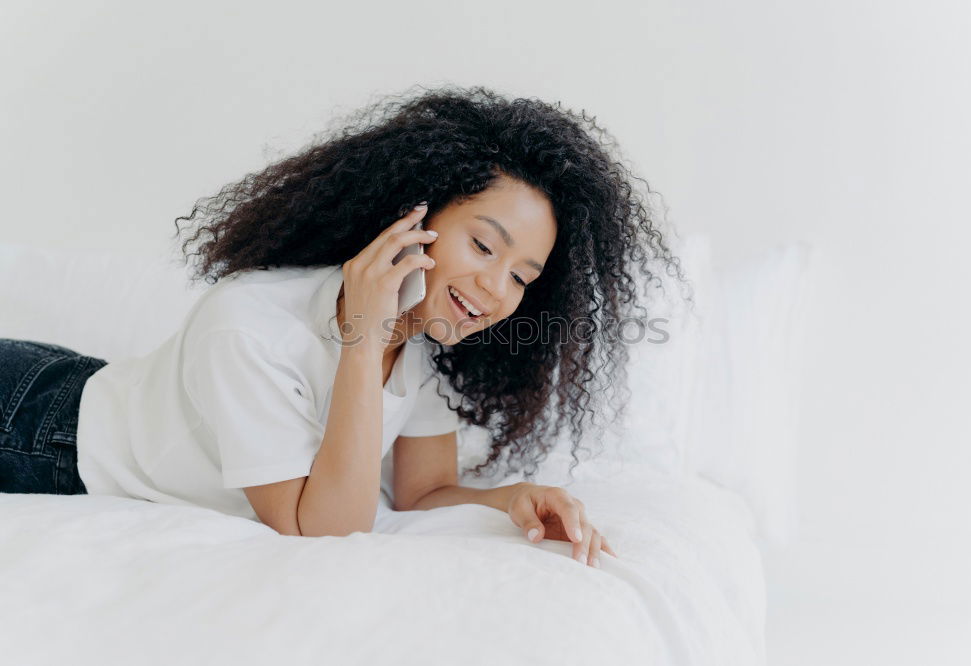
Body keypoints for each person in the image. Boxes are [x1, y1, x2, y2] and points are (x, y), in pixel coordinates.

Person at [0, 85, 690, 568]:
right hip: (39, 429)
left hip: (76, 389)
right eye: (484, 246)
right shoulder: (247, 326)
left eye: (521, 276)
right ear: (411, 219)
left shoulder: (419, 339)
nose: (494, 288)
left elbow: (420, 493)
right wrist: (362, 340)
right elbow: (323, 530)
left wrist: (517, 498)